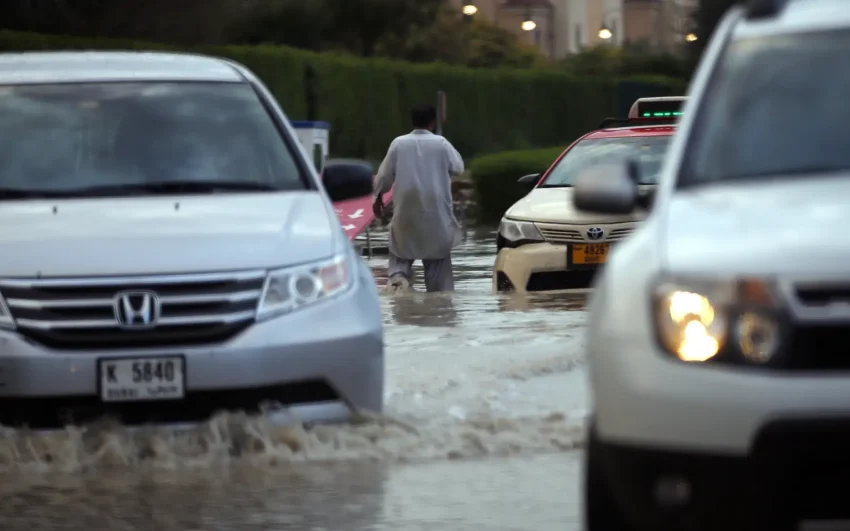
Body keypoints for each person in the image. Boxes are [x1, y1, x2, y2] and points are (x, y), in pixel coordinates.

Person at [373, 103, 464, 292]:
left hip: (405, 213)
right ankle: (438, 303)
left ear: (412, 121)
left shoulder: (398, 144)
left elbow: (383, 177)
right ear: (432, 122)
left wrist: (378, 197)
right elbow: (458, 168)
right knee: (439, 274)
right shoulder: (441, 143)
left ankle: (399, 283)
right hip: (436, 215)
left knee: (399, 257)